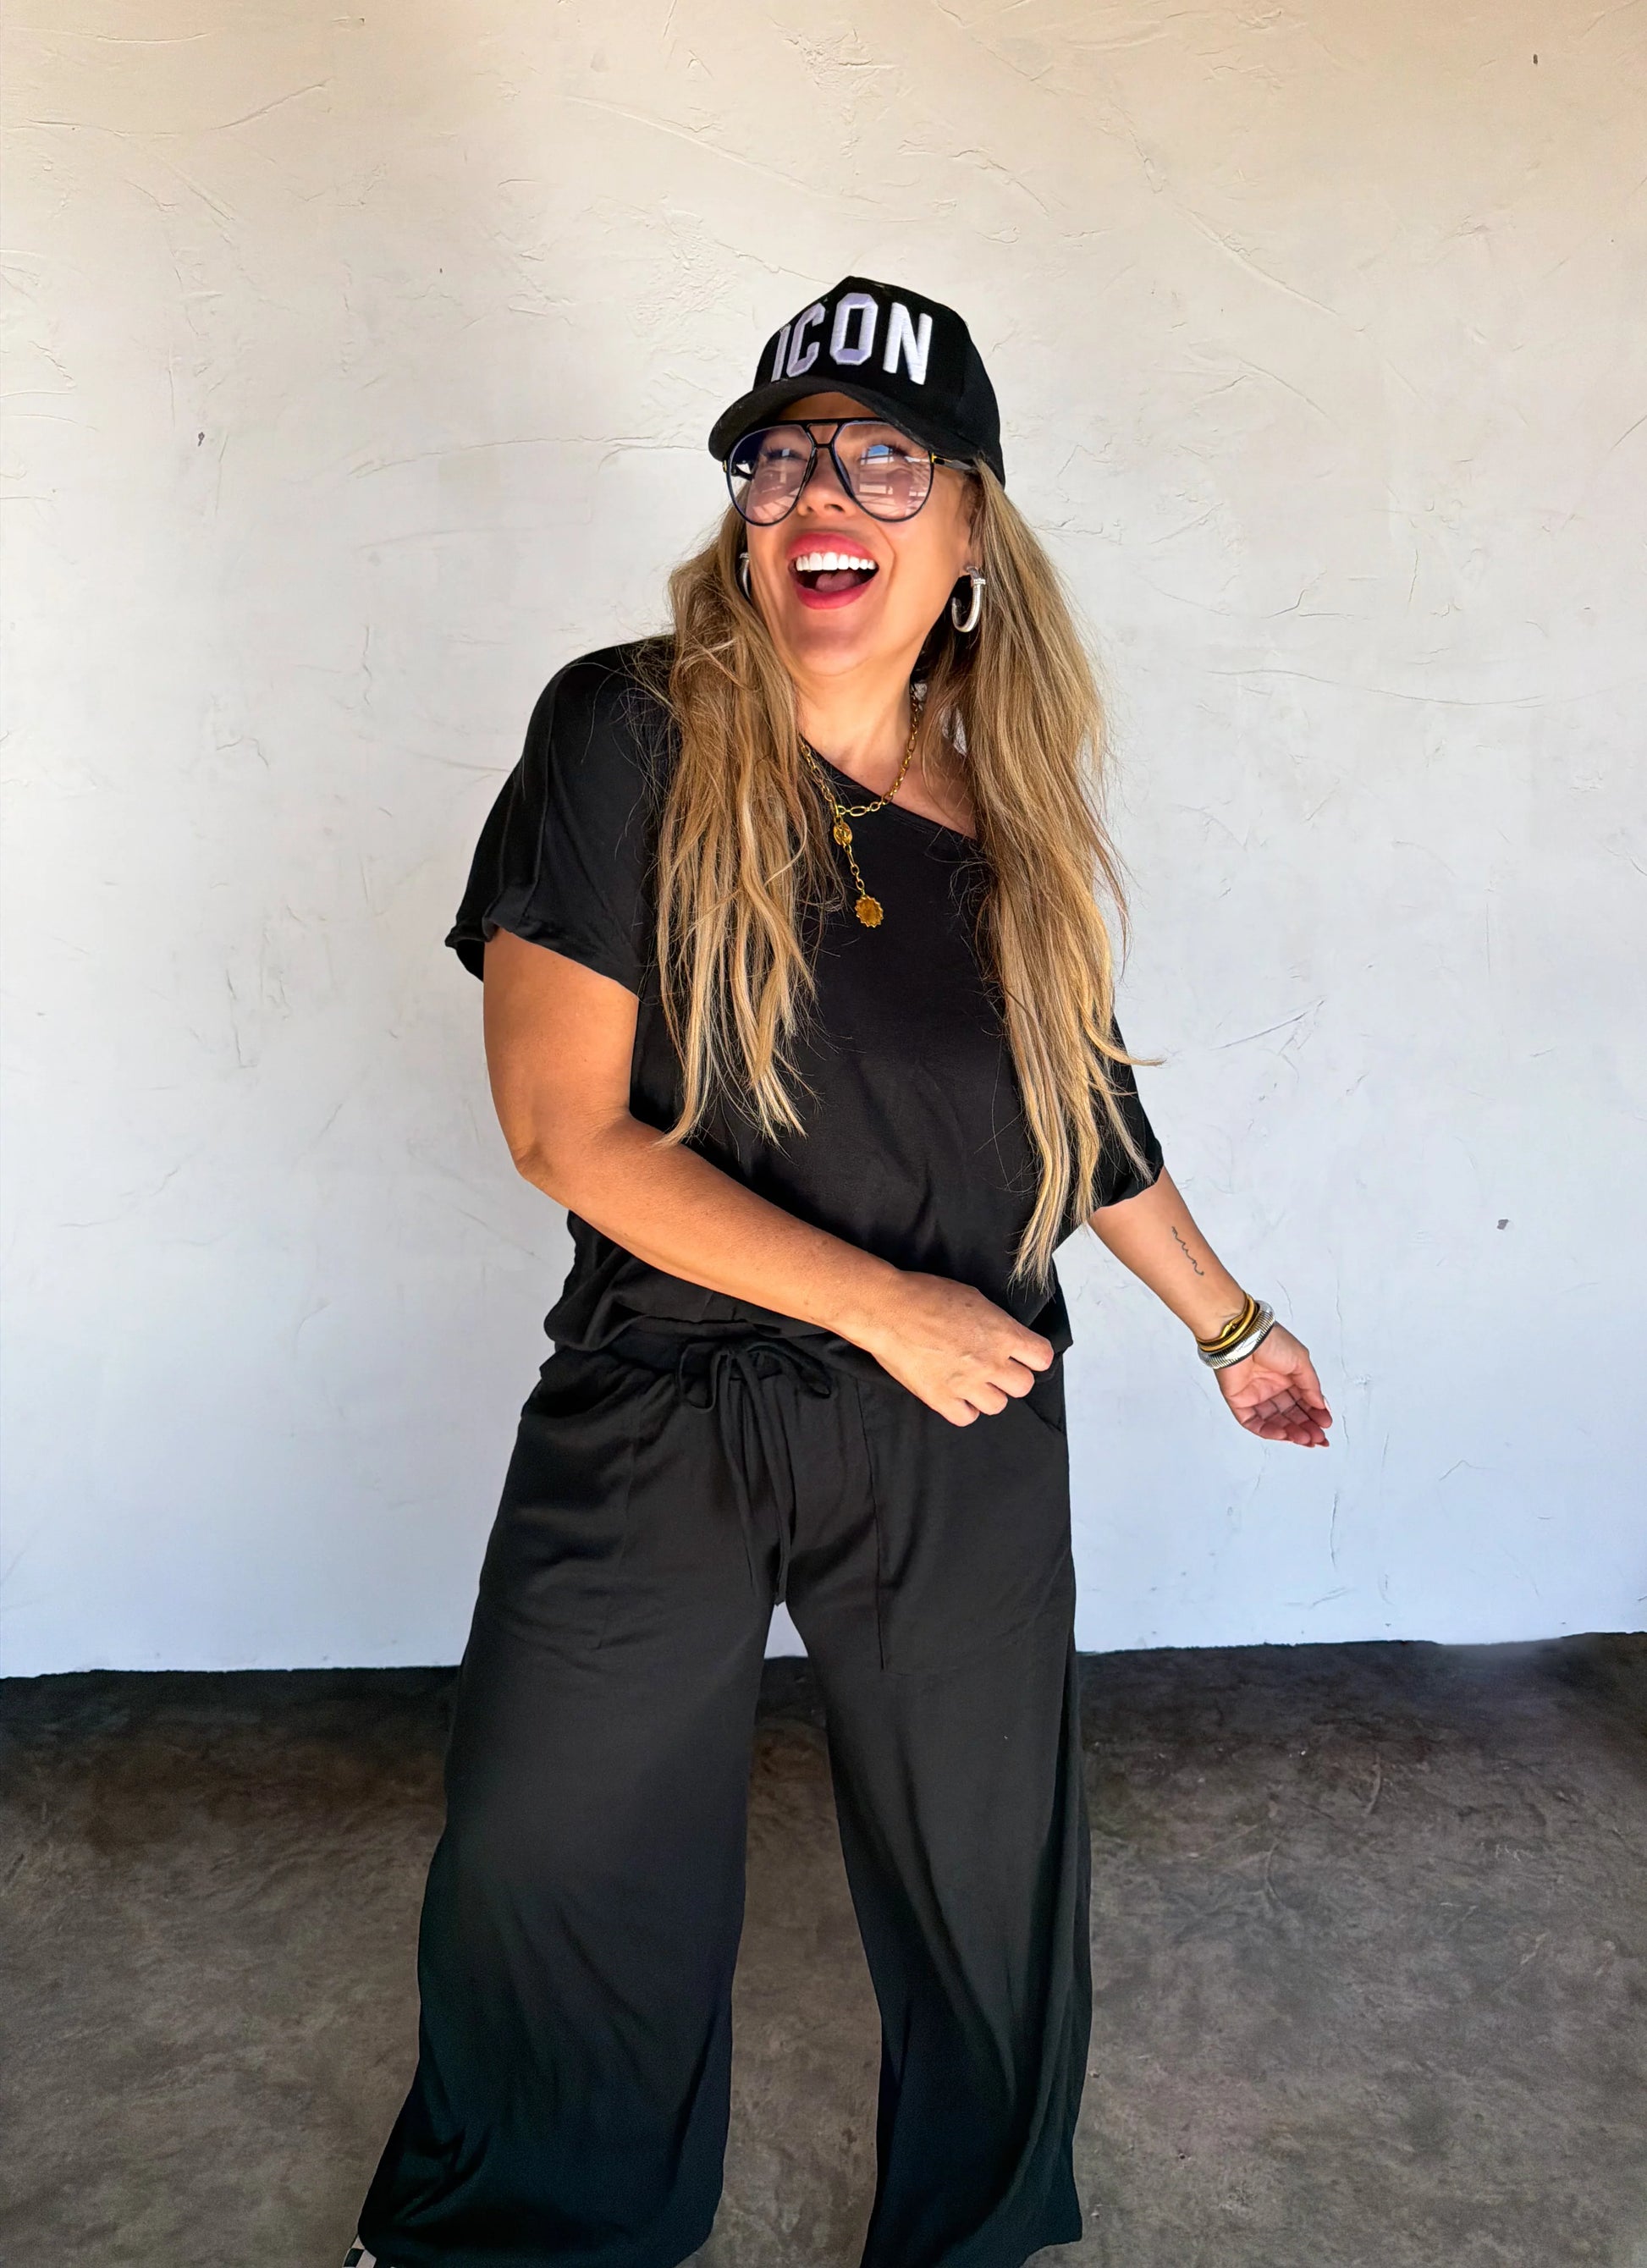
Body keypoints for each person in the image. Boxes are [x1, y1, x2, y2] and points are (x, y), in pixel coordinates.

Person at [345, 274, 1331, 2268]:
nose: (825, 491)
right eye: (783, 454)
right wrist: (879, 1301)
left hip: (958, 1412)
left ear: (969, 528)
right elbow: (564, 1127)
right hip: (672, 1386)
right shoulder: (625, 730)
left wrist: (1227, 1321)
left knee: (986, 1872)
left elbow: (1080, 1115)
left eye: (887, 457)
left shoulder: (1006, 812)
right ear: (743, 513)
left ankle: (971, 2236)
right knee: (556, 1843)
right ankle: (509, 2240)